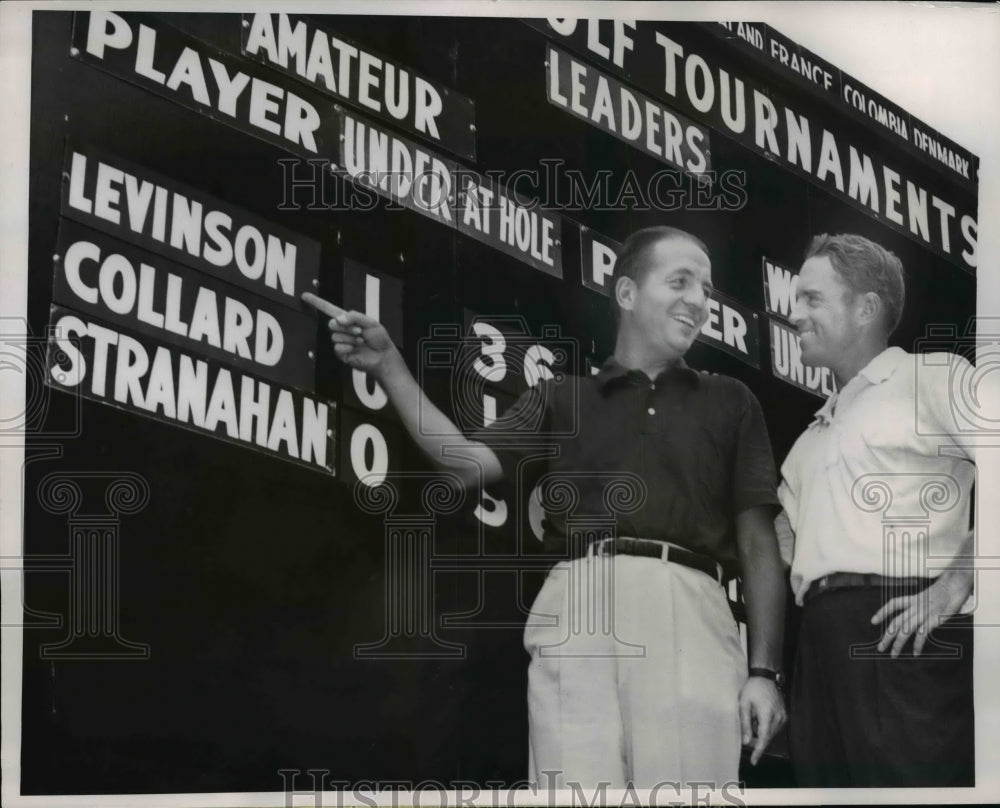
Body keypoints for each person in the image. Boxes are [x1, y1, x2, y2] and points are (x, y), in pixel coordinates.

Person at [304, 226, 786, 789]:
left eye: (705, 288)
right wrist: (390, 367)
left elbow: (758, 543)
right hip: (577, 603)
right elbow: (463, 463)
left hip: (689, 609)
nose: (698, 301)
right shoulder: (562, 396)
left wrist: (764, 671)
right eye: (679, 281)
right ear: (627, 294)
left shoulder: (731, 400)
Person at [778, 233, 976, 786]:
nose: (795, 315)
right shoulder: (806, 443)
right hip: (817, 651)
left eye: (812, 299)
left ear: (865, 308)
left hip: (904, 636)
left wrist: (959, 578)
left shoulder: (933, 377)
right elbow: (782, 545)